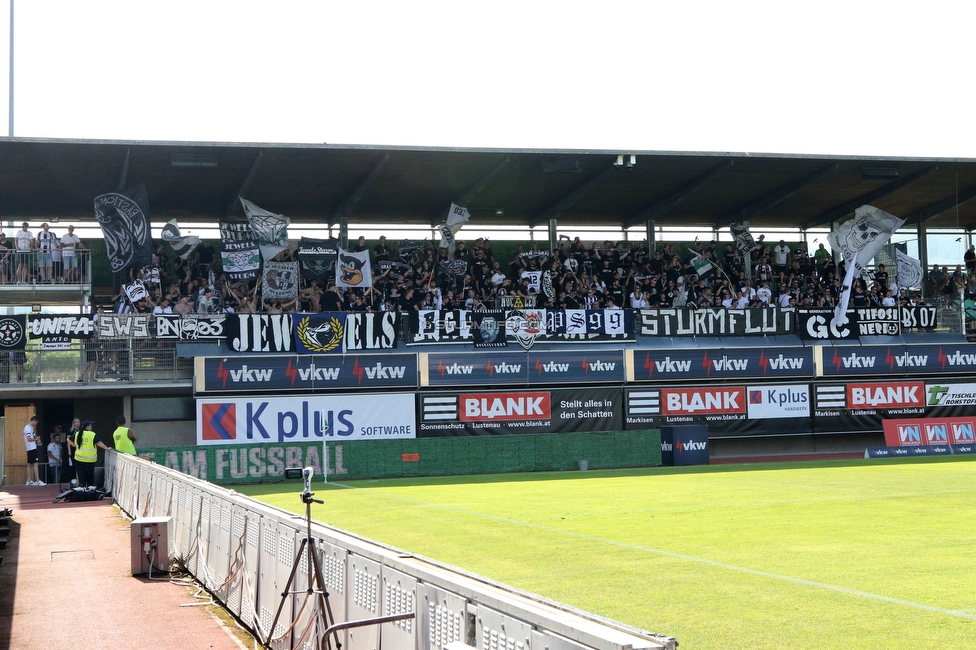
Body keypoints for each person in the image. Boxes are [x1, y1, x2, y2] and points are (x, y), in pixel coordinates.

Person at [73, 420, 109, 489]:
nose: (91, 426)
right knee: (90, 478)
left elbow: (68, 439)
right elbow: (98, 443)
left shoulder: (77, 434)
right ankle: (89, 492)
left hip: (79, 459)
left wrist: (76, 446)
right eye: (90, 425)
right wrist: (106, 448)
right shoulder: (91, 434)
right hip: (89, 460)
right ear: (87, 427)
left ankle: (82, 492)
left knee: (81, 478)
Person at [24, 415, 44, 486]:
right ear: (34, 420)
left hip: (30, 448)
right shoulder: (28, 428)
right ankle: (37, 480)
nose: (36, 424)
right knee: (35, 463)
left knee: (29, 464)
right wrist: (36, 439)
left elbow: (34, 435)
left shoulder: (30, 428)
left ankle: (29, 480)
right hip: (32, 448)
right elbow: (29, 439)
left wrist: (37, 438)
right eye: (36, 422)